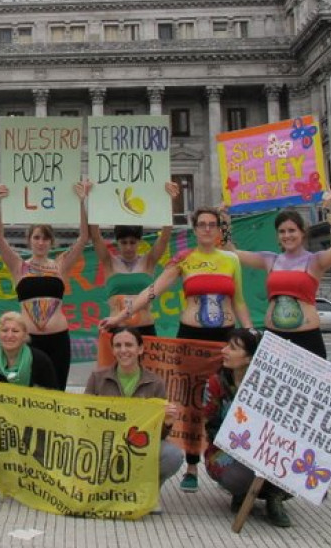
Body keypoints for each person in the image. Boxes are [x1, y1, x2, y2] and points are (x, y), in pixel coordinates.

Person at [102, 206, 253, 492]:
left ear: (220, 229)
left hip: (225, 338)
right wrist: (120, 318)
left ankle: (233, 462)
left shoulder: (231, 259)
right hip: (191, 338)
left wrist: (250, 333)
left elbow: (240, 301)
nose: (208, 229)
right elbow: (152, 291)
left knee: (232, 400)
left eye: (213, 224)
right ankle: (192, 466)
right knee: (192, 401)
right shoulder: (184, 258)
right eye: (202, 224)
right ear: (194, 229)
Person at [223, 192, 331, 358]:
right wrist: (225, 220)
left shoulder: (315, 261)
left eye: (292, 230)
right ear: (277, 236)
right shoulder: (269, 260)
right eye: (282, 232)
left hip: (307, 339)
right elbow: (231, 252)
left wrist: (330, 211)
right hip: (274, 338)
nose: (287, 235)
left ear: (303, 232)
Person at [0, 181, 89, 388]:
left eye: (46, 238)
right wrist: (0, 203)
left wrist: (82, 201)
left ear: (51, 242)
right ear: (29, 240)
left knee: (57, 390)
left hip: (58, 340)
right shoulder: (18, 267)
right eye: (37, 237)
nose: (41, 242)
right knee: (30, 391)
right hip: (29, 341)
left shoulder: (61, 265)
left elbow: (83, 237)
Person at [201, 328, 292, 528]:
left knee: (296, 464)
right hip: (229, 449)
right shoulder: (216, 384)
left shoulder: (273, 388)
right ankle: (243, 493)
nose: (224, 351)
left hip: (269, 449)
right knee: (235, 476)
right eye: (226, 345)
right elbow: (211, 425)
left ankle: (273, 497)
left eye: (233, 348)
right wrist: (239, 449)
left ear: (250, 358)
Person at [84, 327, 185, 505]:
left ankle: (148, 492)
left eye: (129, 345)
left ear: (140, 349)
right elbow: (84, 420)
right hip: (104, 445)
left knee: (172, 455)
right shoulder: (97, 378)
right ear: (113, 350)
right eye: (118, 345)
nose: (123, 350)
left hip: (139, 445)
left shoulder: (155, 383)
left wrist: (167, 423)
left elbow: (157, 436)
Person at [0, 311, 60, 496]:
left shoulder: (40, 361)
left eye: (15, 331)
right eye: (5, 330)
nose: (9, 335)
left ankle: (33, 477)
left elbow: (54, 399)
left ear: (25, 335)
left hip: (33, 423)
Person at [90, 182, 179, 338]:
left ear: (139, 242)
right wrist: (91, 198)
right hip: (116, 328)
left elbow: (164, 237)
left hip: (146, 330)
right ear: (117, 242)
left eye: (133, 242)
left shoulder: (149, 261)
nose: (129, 247)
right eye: (124, 242)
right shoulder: (109, 262)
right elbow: (96, 236)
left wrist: (169, 202)